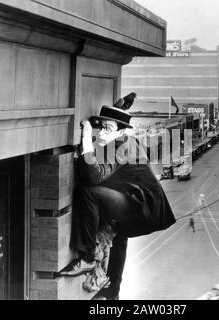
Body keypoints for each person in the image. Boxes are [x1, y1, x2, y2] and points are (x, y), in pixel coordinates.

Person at [61, 105, 176, 300]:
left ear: (121, 131)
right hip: (143, 209)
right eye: (101, 127)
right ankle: (113, 291)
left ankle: (87, 257)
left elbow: (92, 177)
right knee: (119, 235)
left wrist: (87, 138)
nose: (103, 133)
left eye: (108, 129)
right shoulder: (123, 142)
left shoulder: (123, 145)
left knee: (87, 193)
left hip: (141, 209)